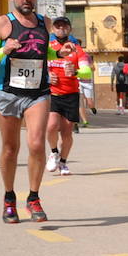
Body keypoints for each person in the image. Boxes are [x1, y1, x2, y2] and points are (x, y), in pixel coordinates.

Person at [0, 0, 73, 223]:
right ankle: (9, 199)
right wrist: (4, 50)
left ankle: (33, 197)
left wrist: (59, 51)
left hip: (37, 93)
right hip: (9, 93)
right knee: (10, 149)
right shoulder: (2, 24)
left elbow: (48, 49)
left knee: (36, 144)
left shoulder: (44, 22)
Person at [45, 16, 92, 176]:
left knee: (66, 133)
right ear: (53, 29)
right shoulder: (49, 47)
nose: (61, 29)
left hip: (71, 94)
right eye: (58, 26)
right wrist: (47, 77)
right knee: (51, 126)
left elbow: (87, 70)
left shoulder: (77, 49)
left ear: (69, 29)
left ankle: (63, 162)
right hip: (52, 93)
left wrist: (76, 71)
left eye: (64, 26)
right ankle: (53, 152)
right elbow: (38, 65)